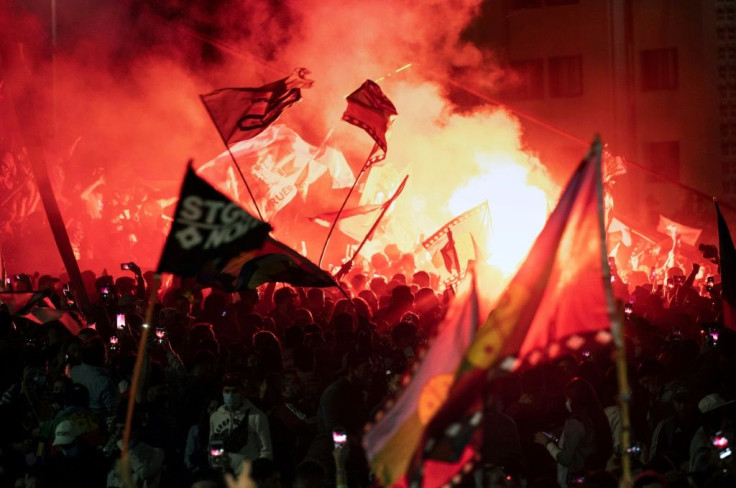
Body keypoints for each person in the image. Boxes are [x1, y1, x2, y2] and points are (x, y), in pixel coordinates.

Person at [534, 377, 613, 488]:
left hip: (578, 480)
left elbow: (565, 459)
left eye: (568, 399)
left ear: (575, 399)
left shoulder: (575, 422)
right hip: (598, 477)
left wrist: (547, 443)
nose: (566, 402)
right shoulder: (598, 417)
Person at [210, 373, 273, 475]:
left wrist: (260, 475)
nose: (230, 395)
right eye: (227, 391)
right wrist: (218, 468)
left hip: (248, 476)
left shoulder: (256, 416)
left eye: (235, 391)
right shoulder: (215, 417)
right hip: (226, 476)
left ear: (243, 392)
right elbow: (215, 444)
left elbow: (266, 450)